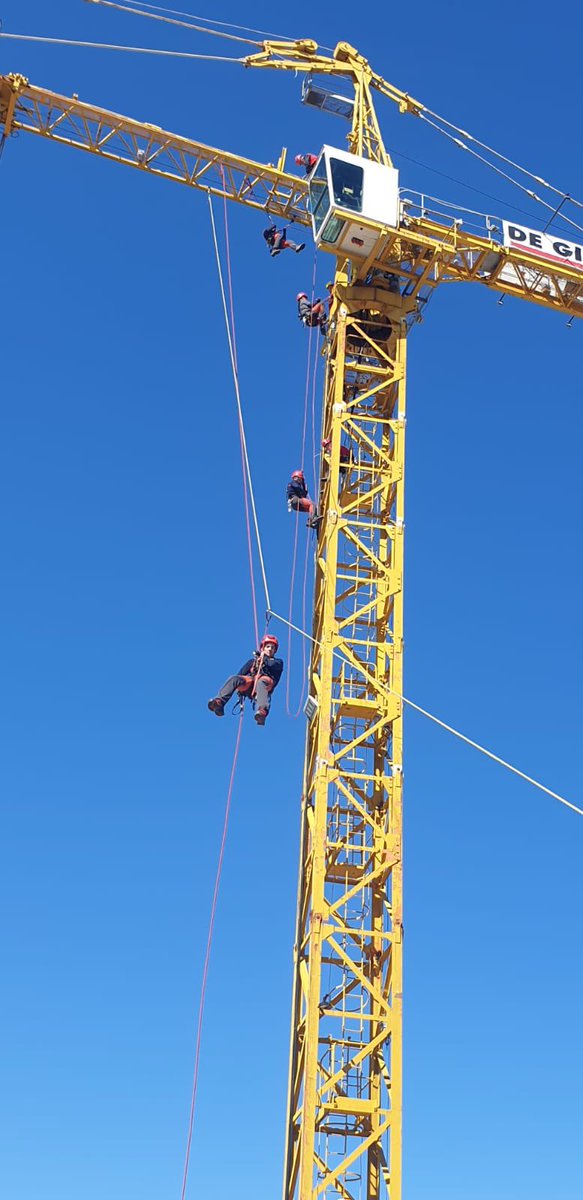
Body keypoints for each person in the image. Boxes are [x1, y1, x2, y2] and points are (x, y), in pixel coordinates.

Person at [207, 634, 283, 726]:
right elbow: (240, 674)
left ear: (275, 650)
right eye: (268, 646)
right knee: (234, 679)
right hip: (251, 685)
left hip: (264, 685)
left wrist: (264, 659)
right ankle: (219, 702)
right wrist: (240, 686)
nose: (270, 649)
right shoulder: (253, 662)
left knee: (262, 681)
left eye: (272, 647)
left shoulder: (278, 662)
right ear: (263, 648)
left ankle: (262, 710)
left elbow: (273, 665)